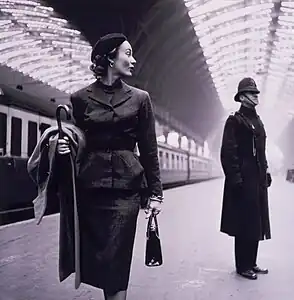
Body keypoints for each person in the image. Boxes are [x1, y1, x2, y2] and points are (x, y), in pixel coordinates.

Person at [57, 33, 163, 300]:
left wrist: (156, 193)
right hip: (90, 189)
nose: (133, 60)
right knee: (100, 263)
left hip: (126, 192)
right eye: (127, 53)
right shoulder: (80, 98)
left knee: (116, 264)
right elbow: (78, 140)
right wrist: (64, 149)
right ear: (109, 58)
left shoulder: (141, 99)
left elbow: (149, 149)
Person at [220, 77, 272, 280]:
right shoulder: (235, 121)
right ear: (242, 97)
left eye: (256, 92)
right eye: (251, 93)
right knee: (244, 223)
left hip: (257, 179)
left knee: (255, 222)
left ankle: (252, 262)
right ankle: (242, 266)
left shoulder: (257, 121)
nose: (255, 96)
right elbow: (228, 152)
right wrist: (236, 179)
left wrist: (265, 171)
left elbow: (261, 151)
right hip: (243, 179)